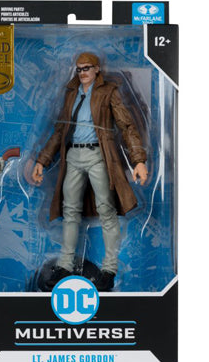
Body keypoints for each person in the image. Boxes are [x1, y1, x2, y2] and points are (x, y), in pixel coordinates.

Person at [32, 53, 148, 291]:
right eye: (79, 69)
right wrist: (42, 161)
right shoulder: (71, 94)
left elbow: (127, 126)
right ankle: (65, 265)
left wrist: (138, 160)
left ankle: (109, 269)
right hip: (73, 156)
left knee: (107, 210)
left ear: (97, 69)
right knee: (70, 212)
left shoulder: (108, 92)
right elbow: (59, 131)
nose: (82, 72)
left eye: (86, 68)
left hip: (98, 155)